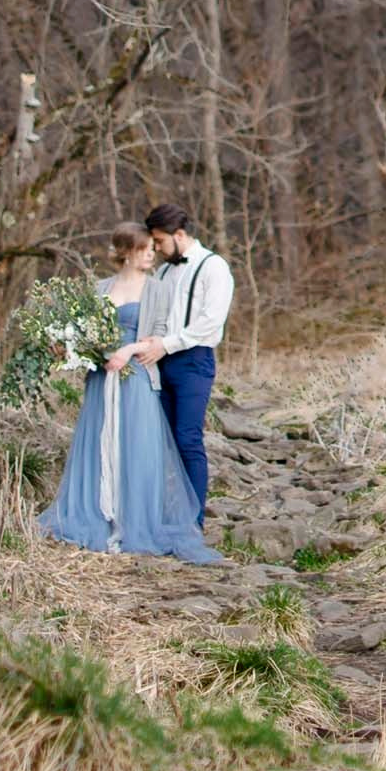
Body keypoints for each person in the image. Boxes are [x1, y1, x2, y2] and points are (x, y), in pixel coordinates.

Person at [37, 221, 221, 563]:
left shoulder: (158, 290)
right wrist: (71, 348)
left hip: (136, 374)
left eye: (153, 248)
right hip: (100, 378)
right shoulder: (99, 288)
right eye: (144, 249)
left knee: (138, 446)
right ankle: (99, 516)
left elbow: (161, 334)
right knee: (99, 442)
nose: (151, 254)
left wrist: (127, 350)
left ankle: (135, 520)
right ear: (126, 252)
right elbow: (83, 331)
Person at [137, 201, 233, 527]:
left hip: (193, 361)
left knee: (188, 437)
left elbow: (210, 322)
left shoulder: (213, 267)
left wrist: (167, 344)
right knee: (161, 440)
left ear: (179, 234)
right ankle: (164, 515)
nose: (158, 249)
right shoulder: (163, 272)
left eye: (161, 242)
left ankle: (192, 522)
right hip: (159, 361)